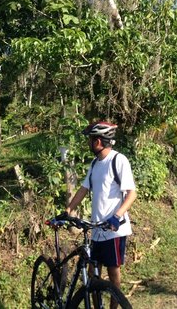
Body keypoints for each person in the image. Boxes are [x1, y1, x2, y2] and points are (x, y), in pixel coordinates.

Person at [65, 121, 137, 294]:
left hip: (114, 229)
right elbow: (84, 189)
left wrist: (117, 215)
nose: (88, 143)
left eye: (90, 140)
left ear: (97, 142)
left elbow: (132, 193)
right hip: (96, 228)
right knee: (92, 272)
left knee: (113, 275)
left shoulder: (118, 160)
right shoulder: (95, 164)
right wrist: (68, 210)